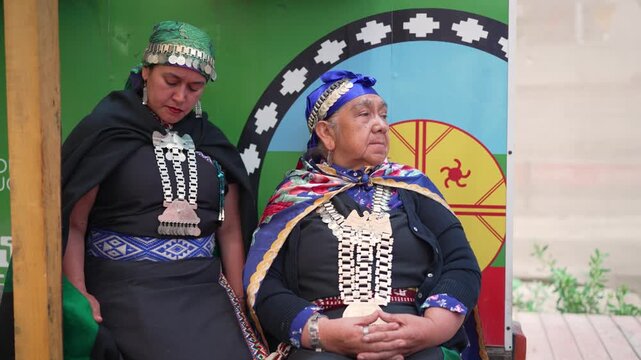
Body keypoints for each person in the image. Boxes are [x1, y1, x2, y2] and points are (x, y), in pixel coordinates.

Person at [56, 21, 265, 359]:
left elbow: (229, 232)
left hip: (203, 289)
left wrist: (241, 305)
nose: (181, 96)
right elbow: (74, 224)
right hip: (125, 286)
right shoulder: (106, 130)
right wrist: (80, 293)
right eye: (171, 81)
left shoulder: (210, 142)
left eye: (195, 87)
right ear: (145, 72)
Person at [243, 70, 481, 360]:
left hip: (416, 343)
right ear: (327, 133)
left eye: (383, 115)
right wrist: (324, 333)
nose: (381, 125)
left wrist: (428, 329)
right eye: (364, 115)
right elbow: (265, 285)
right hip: (325, 346)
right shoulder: (294, 196)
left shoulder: (413, 187)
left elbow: (461, 263)